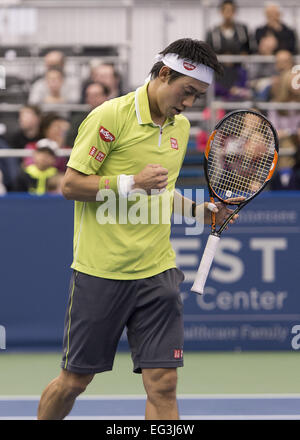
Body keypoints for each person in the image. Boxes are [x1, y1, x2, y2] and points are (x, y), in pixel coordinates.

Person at [37, 38, 239, 421]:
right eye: (188, 92)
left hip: (157, 273)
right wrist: (130, 182)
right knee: (74, 381)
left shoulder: (179, 129)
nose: (190, 104)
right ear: (165, 74)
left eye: (198, 96)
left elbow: (163, 192)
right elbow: (70, 186)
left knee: (163, 384)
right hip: (102, 273)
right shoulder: (109, 117)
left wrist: (200, 212)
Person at [66, 82, 110, 146]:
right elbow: (70, 139)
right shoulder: (79, 119)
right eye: (89, 95)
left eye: (96, 95)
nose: (92, 99)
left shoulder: (114, 116)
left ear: (105, 96)